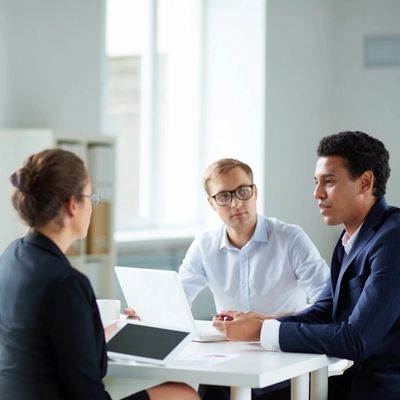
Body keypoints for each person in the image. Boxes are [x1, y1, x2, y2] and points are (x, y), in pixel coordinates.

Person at [213, 131, 400, 400]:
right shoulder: (352, 237)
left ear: (365, 182)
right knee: (223, 390)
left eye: (329, 182)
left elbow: (357, 339)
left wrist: (262, 330)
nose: (317, 193)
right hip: (354, 383)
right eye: (316, 182)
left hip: (380, 390)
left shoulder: (393, 237)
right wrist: (257, 323)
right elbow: (324, 311)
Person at [0, 149, 199, 400]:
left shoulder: (12, 256)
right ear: (74, 205)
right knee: (182, 393)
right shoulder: (66, 282)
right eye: (90, 198)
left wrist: (91, 335)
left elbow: (40, 342)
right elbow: (87, 392)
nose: (93, 208)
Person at [178, 158, 329, 317]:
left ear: (255, 192)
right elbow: (178, 298)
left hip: (284, 339)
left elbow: (326, 300)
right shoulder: (204, 245)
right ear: (212, 203)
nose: (236, 204)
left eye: (243, 191)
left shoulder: (291, 238)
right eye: (223, 197)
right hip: (229, 341)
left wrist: (266, 323)